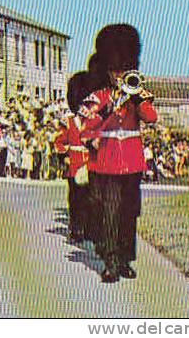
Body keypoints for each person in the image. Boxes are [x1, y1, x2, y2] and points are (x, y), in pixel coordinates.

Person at [79, 24, 157, 283]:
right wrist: (109, 109)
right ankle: (110, 261)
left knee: (129, 212)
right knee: (110, 213)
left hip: (132, 162)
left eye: (124, 70)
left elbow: (151, 118)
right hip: (108, 163)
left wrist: (137, 100)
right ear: (108, 71)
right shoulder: (99, 97)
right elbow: (86, 128)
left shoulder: (137, 95)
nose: (119, 75)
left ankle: (125, 259)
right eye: (115, 71)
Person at [61, 72, 93, 244]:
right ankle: (75, 229)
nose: (84, 108)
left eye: (86, 104)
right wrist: (65, 155)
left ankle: (88, 228)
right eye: (81, 104)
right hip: (74, 165)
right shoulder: (69, 121)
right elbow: (59, 141)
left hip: (89, 165)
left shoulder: (93, 122)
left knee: (89, 198)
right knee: (75, 199)